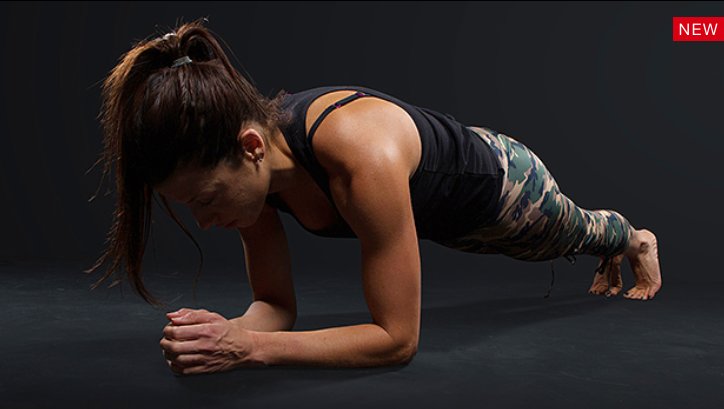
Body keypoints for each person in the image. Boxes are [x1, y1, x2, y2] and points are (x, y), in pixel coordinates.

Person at [86, 18, 661, 374]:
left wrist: (251, 350)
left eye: (206, 199)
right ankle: (610, 252)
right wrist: (230, 331)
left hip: (507, 185)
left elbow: (396, 340)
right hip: (452, 220)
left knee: (573, 233)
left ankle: (634, 240)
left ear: (252, 147)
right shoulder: (249, 183)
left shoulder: (358, 153)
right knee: (559, 243)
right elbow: (276, 306)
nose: (205, 220)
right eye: (189, 206)